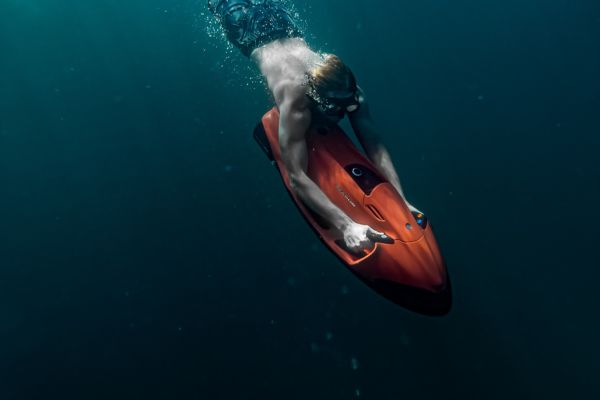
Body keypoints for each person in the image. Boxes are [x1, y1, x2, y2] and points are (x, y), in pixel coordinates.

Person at [208, 0, 420, 254]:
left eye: (347, 108)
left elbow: (376, 147)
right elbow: (296, 176)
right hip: (246, 31)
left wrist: (401, 200)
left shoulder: (351, 92)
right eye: (334, 110)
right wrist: (346, 225)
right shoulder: (295, 99)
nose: (342, 114)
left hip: (283, 27)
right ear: (315, 98)